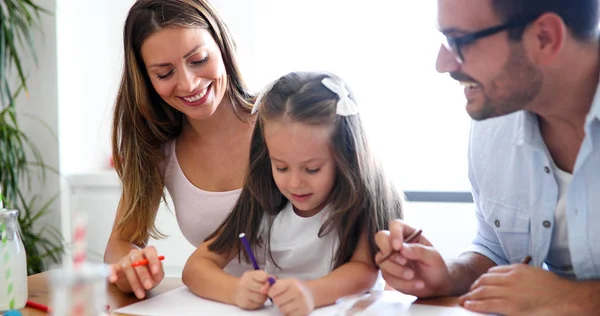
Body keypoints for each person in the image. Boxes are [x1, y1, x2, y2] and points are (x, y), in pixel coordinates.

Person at [375, 0, 600, 315]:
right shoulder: (495, 120)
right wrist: (448, 275)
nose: (443, 63)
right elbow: (496, 249)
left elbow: (554, 296)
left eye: (460, 41)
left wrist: (577, 299)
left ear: (544, 38)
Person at [182, 72, 403, 315]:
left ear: (346, 156)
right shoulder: (263, 197)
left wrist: (310, 294)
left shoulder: (362, 199)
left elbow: (364, 271)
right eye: (281, 167)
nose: (295, 183)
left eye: (312, 169)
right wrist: (236, 290)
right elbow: (196, 267)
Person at [104, 0, 258, 299]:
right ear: (146, 80)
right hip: (226, 305)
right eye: (164, 74)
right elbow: (120, 244)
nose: (188, 83)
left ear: (221, 44)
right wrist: (130, 268)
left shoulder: (282, 119)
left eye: (198, 59)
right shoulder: (161, 150)